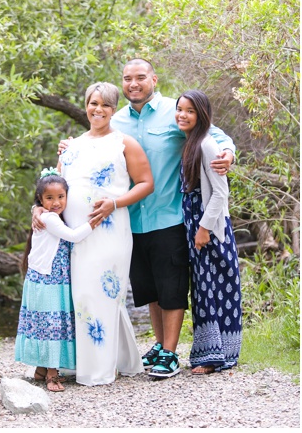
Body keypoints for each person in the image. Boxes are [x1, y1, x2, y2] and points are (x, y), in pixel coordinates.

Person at [110, 58, 236, 378]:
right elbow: (95, 146)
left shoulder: (175, 112)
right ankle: (160, 344)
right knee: (150, 290)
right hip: (133, 219)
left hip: (171, 216)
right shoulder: (116, 121)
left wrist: (229, 153)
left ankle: (170, 352)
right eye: (127, 78)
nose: (133, 83)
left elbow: (214, 135)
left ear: (153, 79)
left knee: (172, 287)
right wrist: (67, 147)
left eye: (140, 77)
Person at [54, 82, 154, 386]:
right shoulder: (72, 145)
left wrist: (114, 202)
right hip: (74, 234)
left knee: (100, 294)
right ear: (86, 104)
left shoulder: (124, 143)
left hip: (109, 232)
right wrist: (41, 211)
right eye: (93, 103)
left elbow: (146, 183)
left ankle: (98, 371)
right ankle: (121, 359)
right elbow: (56, 186)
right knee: (84, 295)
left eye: (106, 105)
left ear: (114, 109)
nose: (98, 109)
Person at [15, 169, 102, 392]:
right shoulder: (49, 218)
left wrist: (36, 209)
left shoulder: (48, 214)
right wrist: (94, 222)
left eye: (61, 197)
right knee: (52, 324)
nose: (56, 202)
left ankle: (41, 368)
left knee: (48, 322)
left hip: (53, 278)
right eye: (49, 198)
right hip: (47, 280)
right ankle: (52, 373)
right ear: (41, 199)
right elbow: (73, 236)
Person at [175, 90, 242, 374]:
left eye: (189, 111)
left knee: (214, 290)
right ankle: (211, 354)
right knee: (203, 290)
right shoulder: (192, 142)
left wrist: (203, 230)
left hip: (211, 229)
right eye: (179, 109)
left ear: (202, 114)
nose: (183, 115)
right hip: (196, 226)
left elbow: (220, 193)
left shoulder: (206, 145)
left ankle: (216, 356)